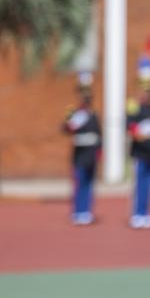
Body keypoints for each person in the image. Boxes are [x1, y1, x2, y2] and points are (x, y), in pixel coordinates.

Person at [61, 71, 101, 226]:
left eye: (88, 96)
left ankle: (86, 211)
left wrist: (99, 153)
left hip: (91, 154)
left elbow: (99, 135)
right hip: (79, 154)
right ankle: (78, 211)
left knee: (90, 184)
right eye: (83, 95)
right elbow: (64, 129)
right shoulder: (73, 112)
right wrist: (71, 124)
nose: (85, 98)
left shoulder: (93, 114)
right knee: (79, 182)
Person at [127, 57, 150, 229]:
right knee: (139, 184)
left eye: (149, 91)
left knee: (149, 185)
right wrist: (139, 133)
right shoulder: (134, 106)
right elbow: (129, 125)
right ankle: (137, 214)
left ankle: (146, 214)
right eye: (144, 91)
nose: (146, 94)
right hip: (139, 152)